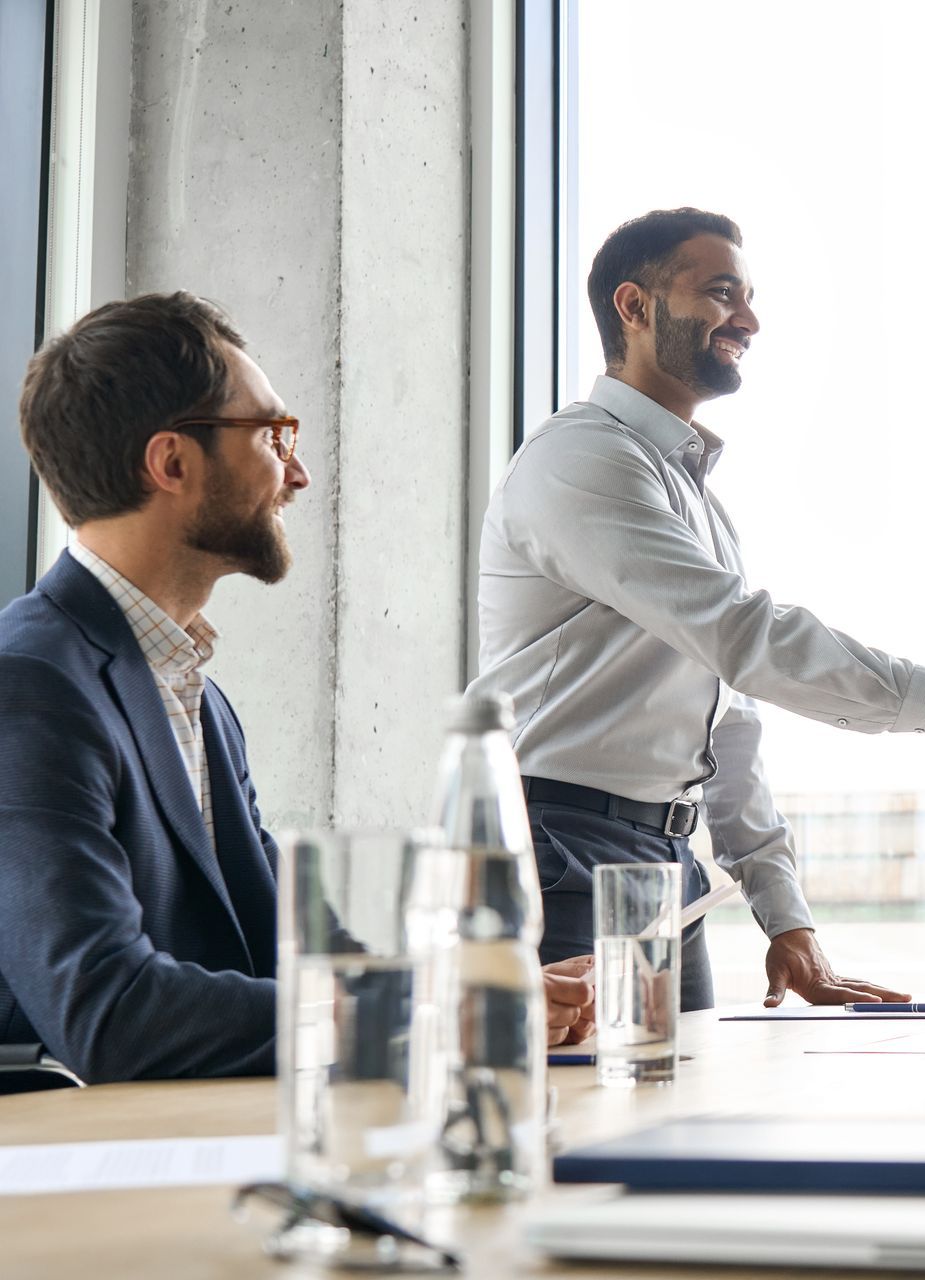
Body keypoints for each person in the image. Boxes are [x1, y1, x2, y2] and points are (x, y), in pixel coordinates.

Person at [468, 209, 925, 1012]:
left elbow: (725, 723)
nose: (749, 320)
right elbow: (748, 639)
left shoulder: (690, 494)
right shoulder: (580, 459)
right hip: (557, 850)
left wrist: (785, 916)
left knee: (670, 1121)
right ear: (633, 307)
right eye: (720, 293)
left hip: (663, 857)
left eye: (750, 296)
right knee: (573, 1120)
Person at [0, 292, 595, 1086]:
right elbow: (108, 1012)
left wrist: (475, 990)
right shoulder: (31, 683)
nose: (300, 473)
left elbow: (289, 939)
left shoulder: (197, 698)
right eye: (274, 435)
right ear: (172, 462)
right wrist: (428, 1015)